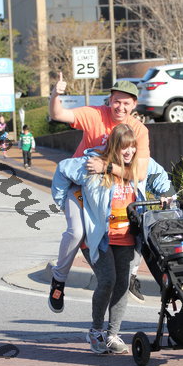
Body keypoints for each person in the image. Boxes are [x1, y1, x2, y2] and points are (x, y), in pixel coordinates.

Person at [51, 124, 173, 354]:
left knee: (122, 285)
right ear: (114, 146)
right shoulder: (93, 164)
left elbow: (161, 180)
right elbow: (62, 169)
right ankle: (96, 332)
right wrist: (63, 203)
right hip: (99, 237)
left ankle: (112, 335)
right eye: (124, 147)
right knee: (108, 280)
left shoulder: (140, 165)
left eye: (132, 147)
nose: (129, 152)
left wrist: (168, 196)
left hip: (127, 237)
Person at [48, 75, 150, 313]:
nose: (120, 107)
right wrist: (55, 94)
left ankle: (131, 276)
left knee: (142, 226)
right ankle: (59, 279)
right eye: (116, 101)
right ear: (109, 100)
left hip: (111, 189)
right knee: (77, 231)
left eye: (126, 103)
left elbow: (140, 173)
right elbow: (58, 114)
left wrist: (107, 167)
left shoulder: (139, 130)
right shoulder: (95, 115)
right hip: (83, 186)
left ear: (134, 105)